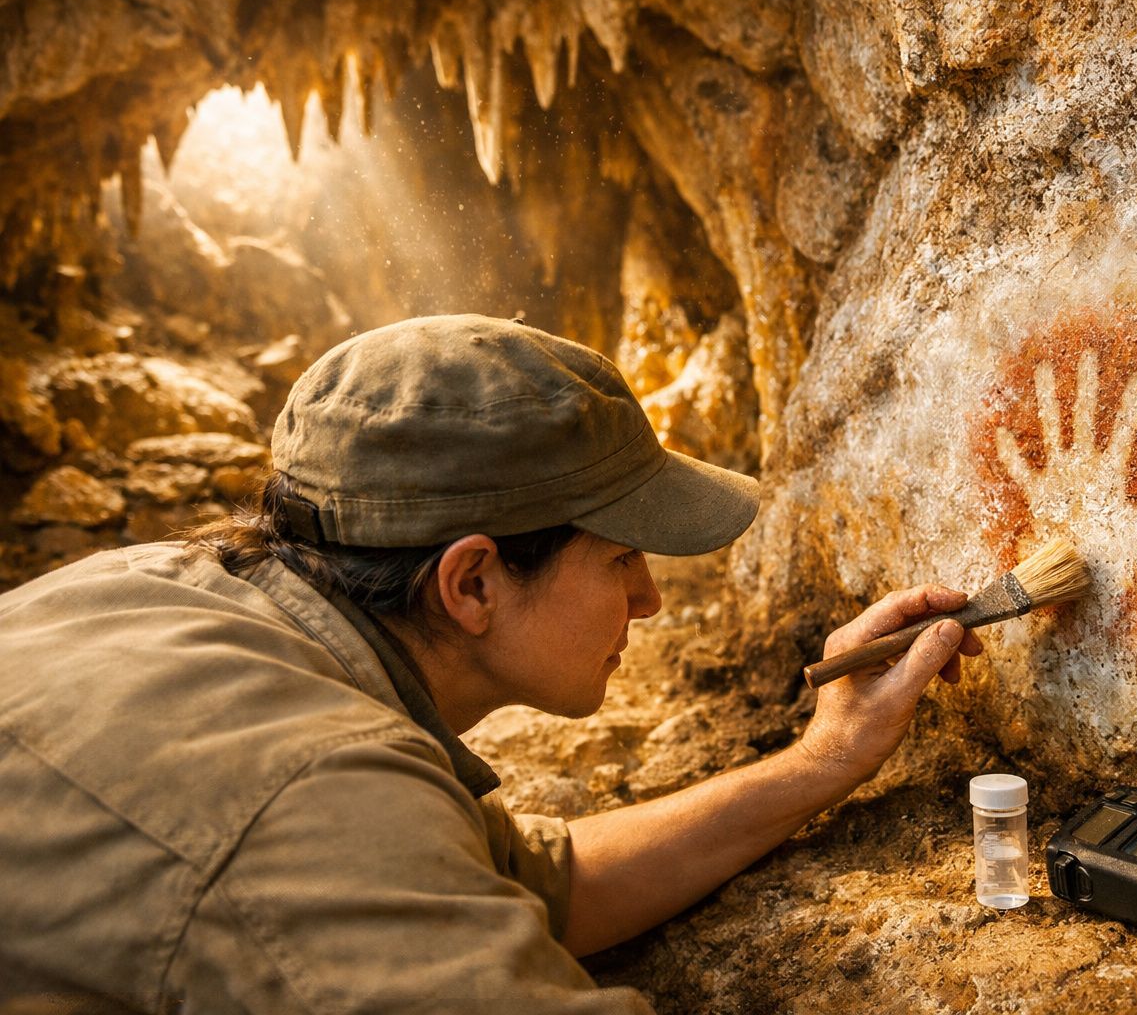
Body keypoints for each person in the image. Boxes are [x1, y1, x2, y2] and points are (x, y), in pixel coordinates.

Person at [0, 314, 981, 1014]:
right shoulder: (311, 799)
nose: (649, 599)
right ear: (470, 583)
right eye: (621, 558)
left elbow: (533, 886)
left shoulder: (161, 587)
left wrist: (827, 758)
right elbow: (355, 850)